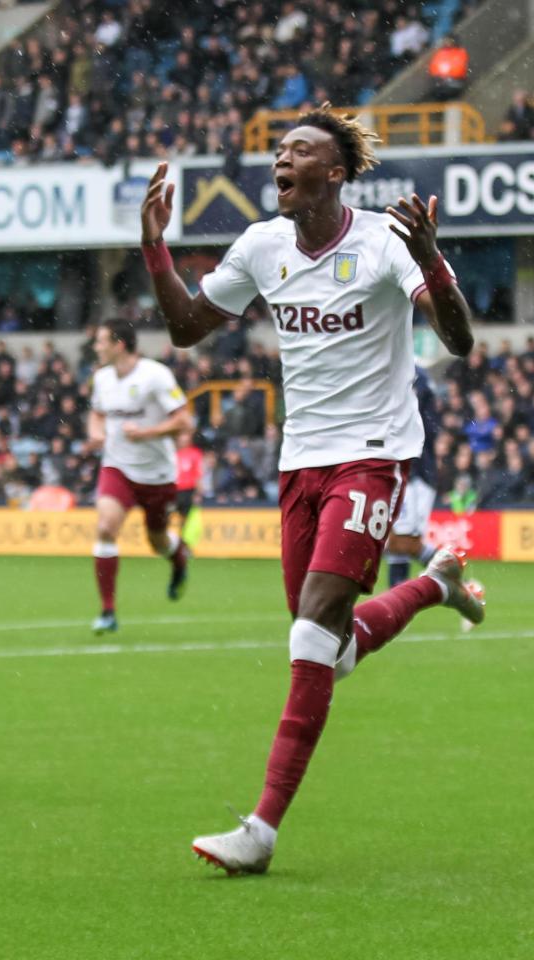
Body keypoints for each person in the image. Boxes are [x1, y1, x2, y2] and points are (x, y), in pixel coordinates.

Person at [140, 104, 485, 875]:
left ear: (334, 172)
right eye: (279, 151)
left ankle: (260, 831)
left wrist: (432, 260)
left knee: (310, 636)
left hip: (373, 453)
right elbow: (191, 328)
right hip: (301, 462)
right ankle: (436, 585)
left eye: (298, 151)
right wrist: (155, 249)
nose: (280, 161)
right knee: (330, 652)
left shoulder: (387, 242)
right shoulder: (262, 245)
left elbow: (459, 342)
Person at [87, 320, 192, 634]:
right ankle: (108, 611)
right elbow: (97, 412)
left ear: (119, 345)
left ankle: (178, 559)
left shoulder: (155, 375)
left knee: (157, 541)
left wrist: (147, 433)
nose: (96, 347)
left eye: (101, 341)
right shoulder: (102, 378)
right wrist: (95, 433)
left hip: (157, 473)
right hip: (117, 466)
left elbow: (184, 420)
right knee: (106, 528)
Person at [385, 365, 439, 586]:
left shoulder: (411, 374)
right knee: (402, 543)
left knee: (403, 542)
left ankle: (458, 578)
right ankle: (395, 608)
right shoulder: (417, 375)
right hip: (411, 469)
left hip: (413, 472)